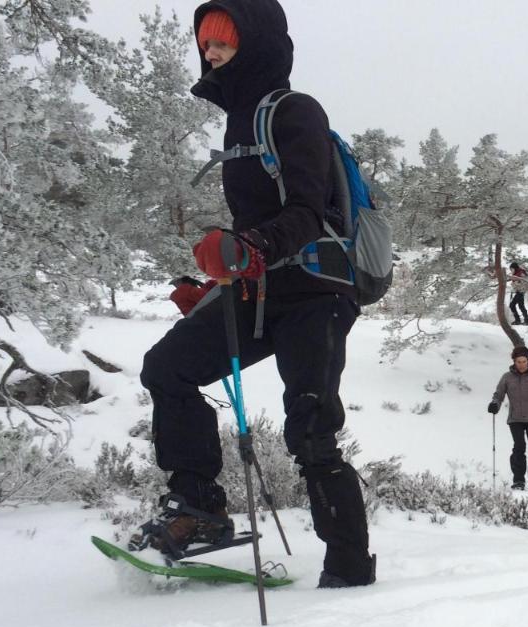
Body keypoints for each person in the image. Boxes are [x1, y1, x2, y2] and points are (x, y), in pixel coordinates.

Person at [131, 0, 375, 589]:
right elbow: (257, 223)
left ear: (257, 42)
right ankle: (200, 509)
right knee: (167, 368)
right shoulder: (238, 121)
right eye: (205, 42)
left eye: (223, 40)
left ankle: (348, 570)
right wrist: (220, 278)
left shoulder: (294, 111)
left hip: (316, 290)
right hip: (259, 288)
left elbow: (307, 213)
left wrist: (248, 249)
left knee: (310, 430)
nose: (210, 51)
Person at [487, 346, 528, 494]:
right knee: (519, 447)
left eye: (524, 361)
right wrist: (494, 405)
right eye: (519, 361)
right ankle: (518, 481)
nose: (522, 364)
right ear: (514, 361)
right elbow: (498, 395)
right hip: (515, 419)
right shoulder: (507, 377)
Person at [508, 260, 528, 325]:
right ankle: (526, 321)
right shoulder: (517, 273)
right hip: (519, 291)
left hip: (521, 291)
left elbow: (522, 282)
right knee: (521, 306)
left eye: (512, 269)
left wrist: (514, 282)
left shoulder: (520, 273)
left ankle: (518, 320)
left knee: (512, 305)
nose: (511, 270)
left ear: (515, 268)